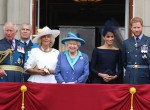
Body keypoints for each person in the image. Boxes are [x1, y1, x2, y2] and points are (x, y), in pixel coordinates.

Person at [122, 17, 150, 84]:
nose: (136, 30)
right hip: (130, 76)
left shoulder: (148, 41)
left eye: (138, 27)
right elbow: (123, 61)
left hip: (144, 76)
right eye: (134, 27)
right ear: (131, 28)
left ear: (142, 27)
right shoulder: (126, 42)